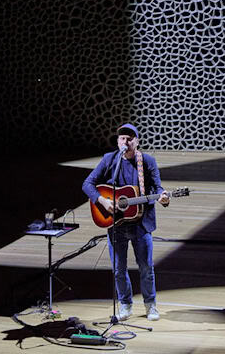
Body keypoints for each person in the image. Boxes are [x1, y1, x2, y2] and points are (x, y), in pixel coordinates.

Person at [82, 123, 169, 321]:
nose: (126, 141)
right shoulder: (110, 159)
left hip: (140, 224)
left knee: (146, 268)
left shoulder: (146, 161)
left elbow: (158, 187)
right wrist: (102, 200)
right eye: (122, 138)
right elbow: (87, 184)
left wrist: (164, 197)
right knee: (119, 269)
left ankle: (150, 305)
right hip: (116, 225)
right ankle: (125, 304)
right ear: (118, 141)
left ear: (137, 142)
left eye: (130, 138)